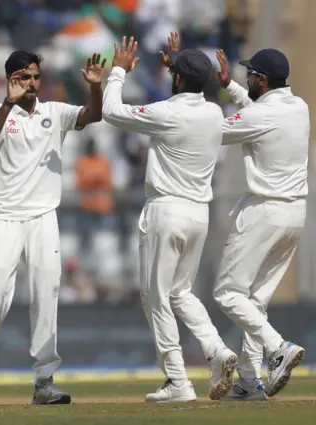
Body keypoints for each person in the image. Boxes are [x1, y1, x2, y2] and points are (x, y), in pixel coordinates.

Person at [0, 50, 106, 406]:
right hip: (4, 216)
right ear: (9, 80)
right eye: (23, 77)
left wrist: (95, 88)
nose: (31, 83)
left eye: (34, 77)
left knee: (46, 291)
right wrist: (7, 102)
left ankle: (44, 381)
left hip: (44, 216)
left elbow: (93, 114)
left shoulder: (54, 112)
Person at [101, 34, 238, 403]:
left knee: (156, 297)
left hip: (166, 211)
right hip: (198, 214)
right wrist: (178, 65)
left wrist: (117, 71)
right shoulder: (214, 112)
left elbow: (112, 112)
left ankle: (178, 381)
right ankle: (216, 350)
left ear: (177, 79)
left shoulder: (166, 113)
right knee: (180, 292)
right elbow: (187, 91)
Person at [213, 48, 308, 401]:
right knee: (253, 300)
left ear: (262, 80)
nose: (247, 79)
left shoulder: (262, 115)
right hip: (295, 214)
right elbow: (257, 112)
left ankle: (277, 347)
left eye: (250, 75)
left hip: (264, 212)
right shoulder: (299, 107)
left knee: (227, 293)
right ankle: (250, 382)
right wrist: (231, 87)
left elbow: (215, 133)